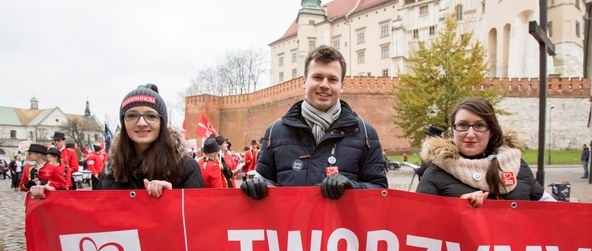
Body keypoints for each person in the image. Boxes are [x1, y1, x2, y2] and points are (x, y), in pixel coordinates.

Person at [241, 45, 387, 200]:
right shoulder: (275, 131)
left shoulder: (364, 133)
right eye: (317, 77)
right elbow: (265, 178)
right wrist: (257, 186)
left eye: (332, 79)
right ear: (304, 81)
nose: (324, 84)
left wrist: (353, 187)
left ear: (342, 86)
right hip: (292, 223)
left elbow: (380, 190)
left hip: (339, 224)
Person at [29, 84, 204, 200]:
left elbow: (201, 225)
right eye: (132, 115)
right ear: (124, 122)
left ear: (162, 123)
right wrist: (53, 199)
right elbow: (93, 220)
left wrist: (173, 198)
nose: (141, 123)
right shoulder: (110, 171)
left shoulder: (186, 167)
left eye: (150, 116)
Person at [416, 97, 555, 207]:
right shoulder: (436, 173)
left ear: (491, 131)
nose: (470, 134)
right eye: (462, 125)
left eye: (479, 125)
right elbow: (419, 224)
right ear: (453, 130)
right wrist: (459, 207)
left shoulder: (516, 165)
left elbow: (554, 212)